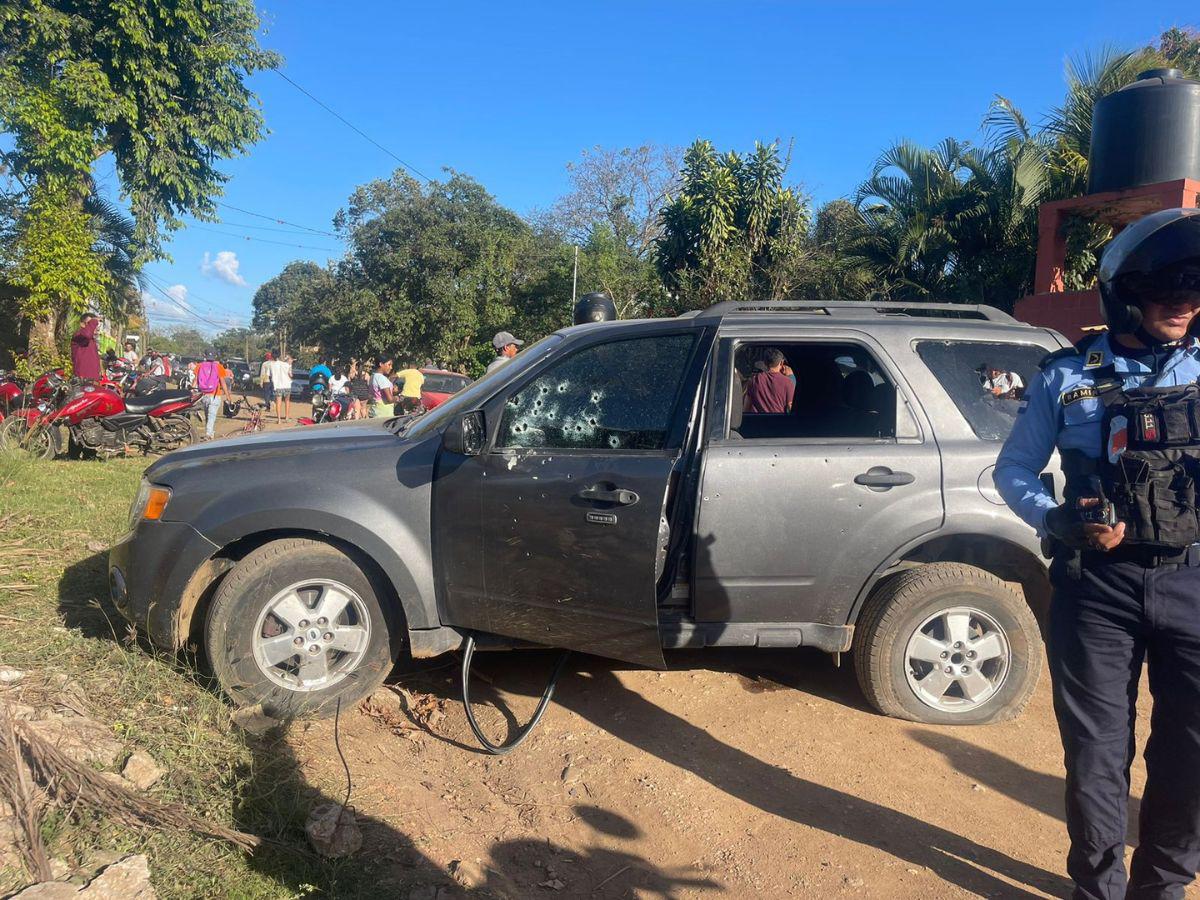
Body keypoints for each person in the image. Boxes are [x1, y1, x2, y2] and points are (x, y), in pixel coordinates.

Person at [994, 208, 1200, 899]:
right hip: (1097, 592)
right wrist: (1054, 518)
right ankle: (1098, 891)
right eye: (1168, 287)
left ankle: (1162, 890)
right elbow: (1013, 470)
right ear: (1126, 292)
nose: (1183, 303)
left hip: (1196, 584)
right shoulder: (1064, 375)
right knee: (1095, 760)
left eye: (1195, 290)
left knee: (1191, 761)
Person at [744, 349, 795, 414]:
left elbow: (746, 408)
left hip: (759, 422)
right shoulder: (788, 382)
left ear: (765, 363)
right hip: (779, 422)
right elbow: (790, 408)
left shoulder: (754, 380)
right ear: (781, 363)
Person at [195, 350, 225, 440]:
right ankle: (208, 434)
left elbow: (195, 380)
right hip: (215, 395)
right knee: (211, 415)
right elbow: (222, 382)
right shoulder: (219, 366)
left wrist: (192, 391)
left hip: (204, 394)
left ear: (205, 355)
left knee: (208, 414)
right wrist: (228, 395)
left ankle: (210, 432)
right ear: (215, 356)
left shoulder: (199, 366)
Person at [70, 313, 102, 381]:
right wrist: (94, 321)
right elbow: (87, 334)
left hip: (93, 380)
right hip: (82, 380)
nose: (94, 326)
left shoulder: (92, 340)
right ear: (82, 324)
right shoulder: (78, 335)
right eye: (90, 323)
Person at [267, 353, 293, 424]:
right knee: (287, 401)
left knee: (278, 402)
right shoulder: (287, 365)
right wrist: (290, 365)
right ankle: (287, 417)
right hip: (287, 385)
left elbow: (269, 375)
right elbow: (290, 375)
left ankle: (279, 420)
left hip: (278, 386)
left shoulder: (272, 365)